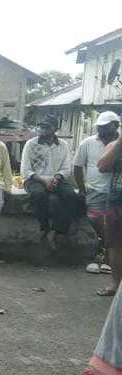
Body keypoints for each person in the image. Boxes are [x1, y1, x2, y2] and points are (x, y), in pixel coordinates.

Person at [76, 111, 119, 293]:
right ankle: (104, 250)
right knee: (97, 222)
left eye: (105, 127)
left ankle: (103, 252)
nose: (101, 130)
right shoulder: (89, 143)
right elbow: (82, 167)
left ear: (115, 126)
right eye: (99, 127)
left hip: (113, 190)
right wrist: (82, 188)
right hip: (100, 191)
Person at [21, 115, 78, 250]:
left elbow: (66, 168)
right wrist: (43, 180)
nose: (43, 129)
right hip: (35, 179)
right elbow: (25, 170)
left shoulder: (63, 145)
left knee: (71, 196)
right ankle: (44, 228)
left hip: (57, 178)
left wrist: (56, 178)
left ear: (55, 129)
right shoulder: (31, 144)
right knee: (39, 195)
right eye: (41, 127)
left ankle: (55, 231)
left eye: (47, 127)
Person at [98, 113, 122, 298]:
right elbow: (102, 166)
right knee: (114, 243)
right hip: (116, 201)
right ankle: (115, 283)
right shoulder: (114, 145)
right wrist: (120, 142)